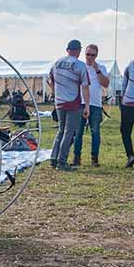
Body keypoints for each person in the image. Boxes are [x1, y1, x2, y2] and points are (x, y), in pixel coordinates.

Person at [47, 39, 91, 172]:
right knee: (69, 132)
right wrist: (87, 106)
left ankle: (53, 158)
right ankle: (62, 161)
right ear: (78, 51)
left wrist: (57, 94)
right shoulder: (80, 65)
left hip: (59, 101)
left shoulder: (57, 63)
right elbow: (85, 87)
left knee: (61, 130)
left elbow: (50, 81)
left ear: (67, 50)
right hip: (73, 102)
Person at [71, 44, 110, 167]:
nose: (90, 57)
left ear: (96, 55)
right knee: (78, 132)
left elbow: (105, 84)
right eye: (88, 54)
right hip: (80, 103)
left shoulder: (101, 68)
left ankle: (94, 158)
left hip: (96, 104)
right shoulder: (80, 66)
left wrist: (97, 70)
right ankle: (76, 158)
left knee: (95, 132)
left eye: (92, 55)